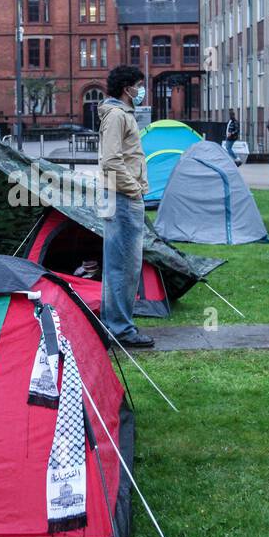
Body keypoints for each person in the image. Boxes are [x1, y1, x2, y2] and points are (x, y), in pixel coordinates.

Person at [97, 65, 153, 348]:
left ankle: (112, 325)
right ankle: (120, 329)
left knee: (117, 266)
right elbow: (111, 161)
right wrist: (135, 190)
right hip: (121, 198)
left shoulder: (119, 115)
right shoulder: (117, 116)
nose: (141, 91)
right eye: (139, 85)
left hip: (117, 196)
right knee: (125, 267)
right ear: (127, 87)